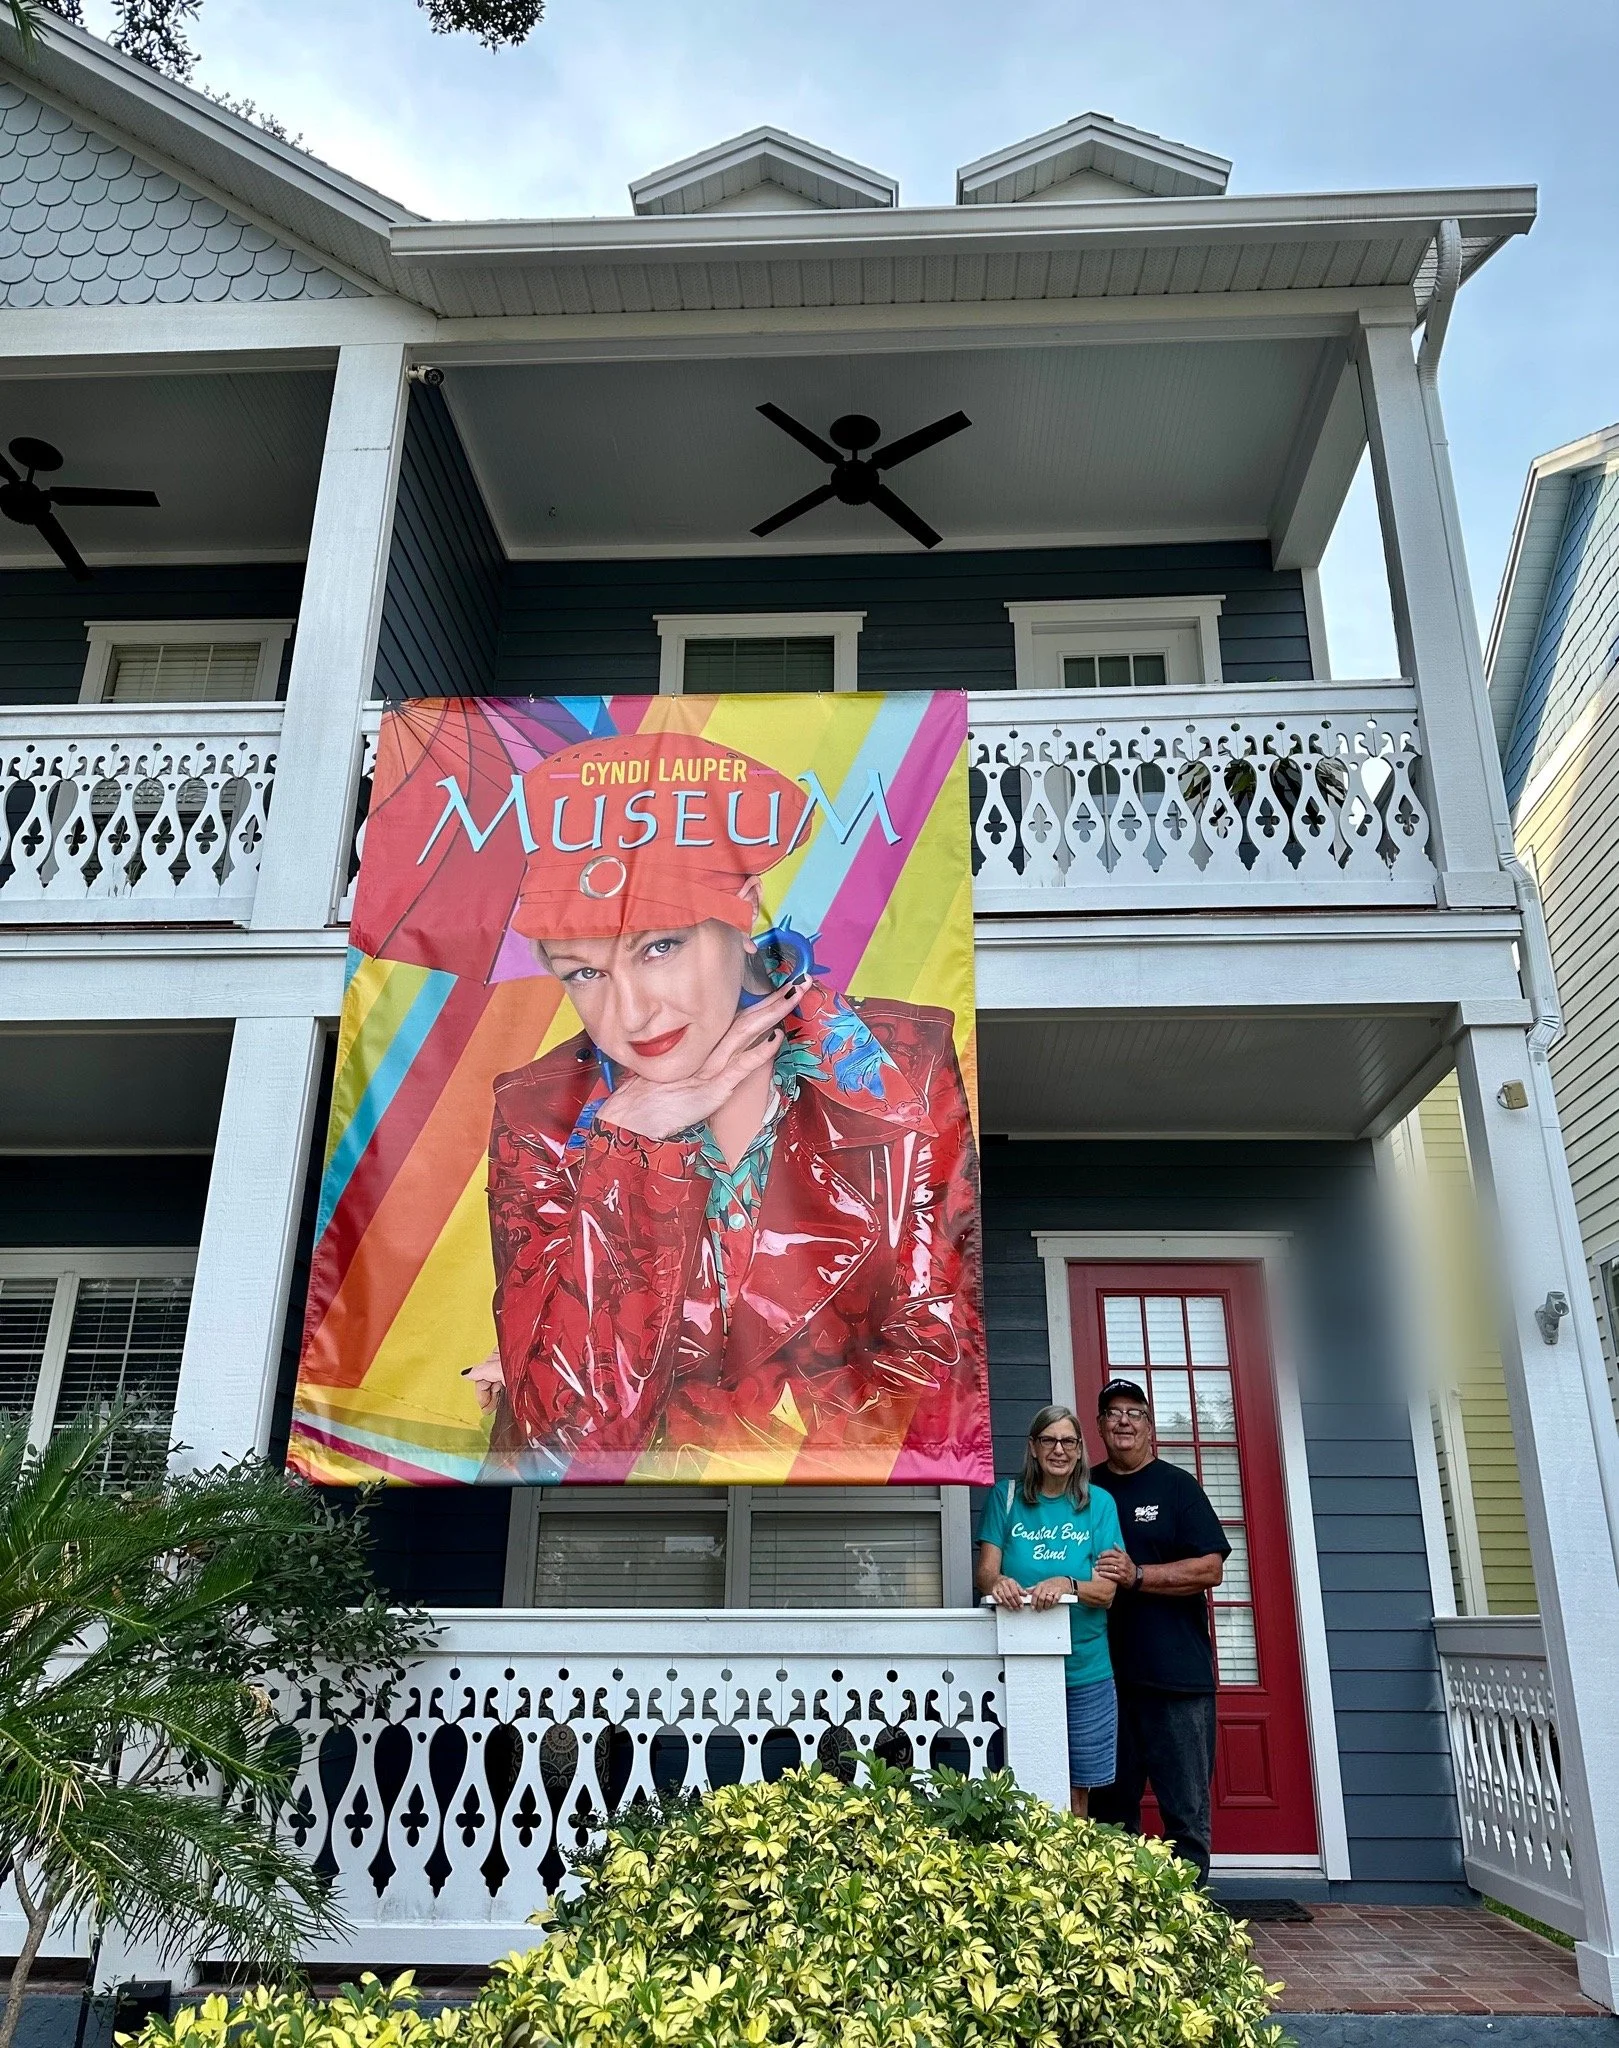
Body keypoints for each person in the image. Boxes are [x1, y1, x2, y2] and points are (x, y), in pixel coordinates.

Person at [476, 729, 989, 1486]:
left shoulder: (897, 1070)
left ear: (743, 905)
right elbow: (568, 1436)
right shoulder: (538, 1116)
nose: (635, 1014)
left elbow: (937, 1363)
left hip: (839, 1529)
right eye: (584, 972)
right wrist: (626, 1151)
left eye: (659, 948)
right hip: (612, 1534)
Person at [1089, 1377, 1231, 1880]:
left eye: (1134, 1412)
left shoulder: (1177, 1487)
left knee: (1186, 1817)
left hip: (1177, 1680)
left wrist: (1139, 1575)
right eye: (1113, 1413)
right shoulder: (1087, 1491)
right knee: (1108, 1817)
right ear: (1100, 1425)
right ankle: (1117, 1925)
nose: (1123, 1420)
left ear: (1149, 1427)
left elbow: (1210, 1568)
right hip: (1104, 1680)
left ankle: (1185, 1920)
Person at [975, 1405, 1123, 1816]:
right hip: (1017, 1665)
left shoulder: (1099, 1504)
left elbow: (1107, 1591)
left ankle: (1069, 1873)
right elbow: (985, 1572)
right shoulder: (1005, 1499)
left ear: (1079, 1451)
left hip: (1085, 1668)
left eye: (1068, 1441)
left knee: (1078, 1790)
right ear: (1033, 1448)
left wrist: (1068, 1585)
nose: (1059, 1449)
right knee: (1017, 1783)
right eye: (1049, 1440)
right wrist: (998, 1583)